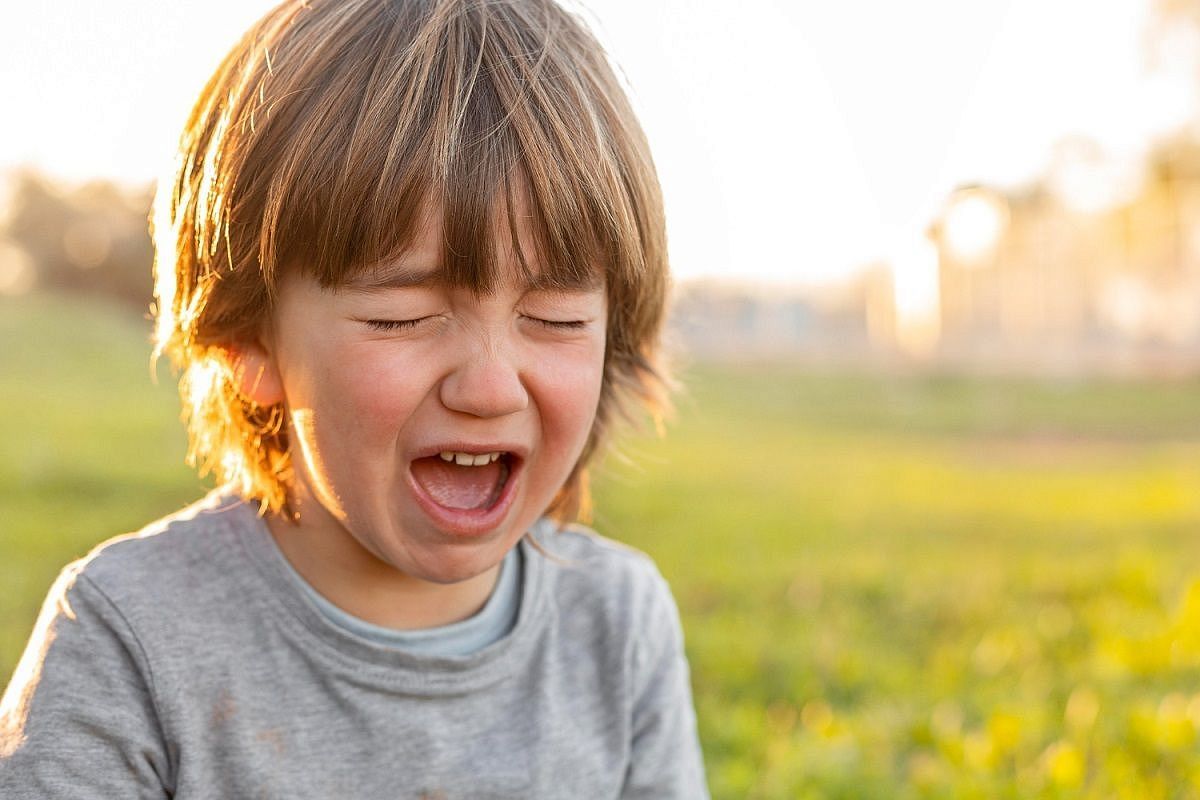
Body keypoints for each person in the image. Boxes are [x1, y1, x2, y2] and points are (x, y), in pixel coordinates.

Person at [0, 0, 708, 796]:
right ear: (249, 341)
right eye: (400, 316)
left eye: (555, 319)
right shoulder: (131, 642)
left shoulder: (618, 625)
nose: (487, 386)